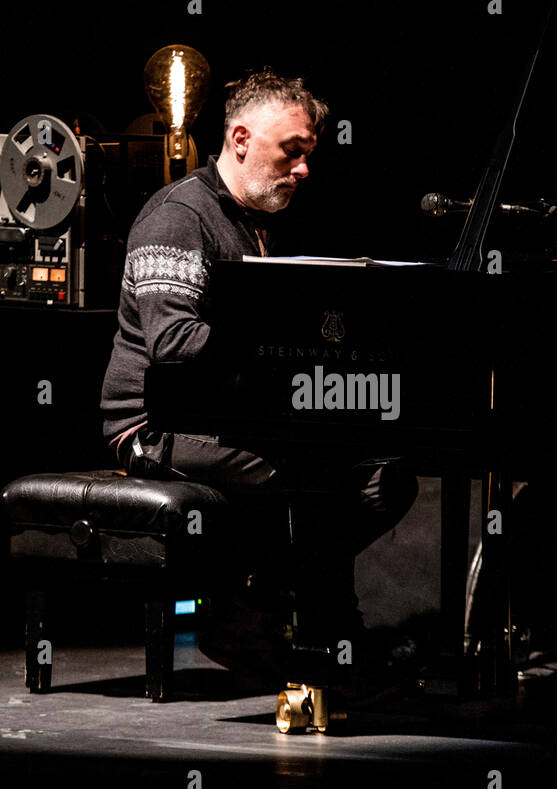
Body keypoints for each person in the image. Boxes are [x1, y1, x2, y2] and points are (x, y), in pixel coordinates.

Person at [100, 69, 418, 686]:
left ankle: (264, 604)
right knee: (312, 475)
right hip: (152, 425)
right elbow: (171, 343)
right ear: (241, 139)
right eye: (291, 152)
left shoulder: (253, 224)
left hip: (228, 418)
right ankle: (324, 638)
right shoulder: (177, 217)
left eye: (308, 155)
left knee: (385, 477)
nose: (303, 170)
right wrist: (281, 354)